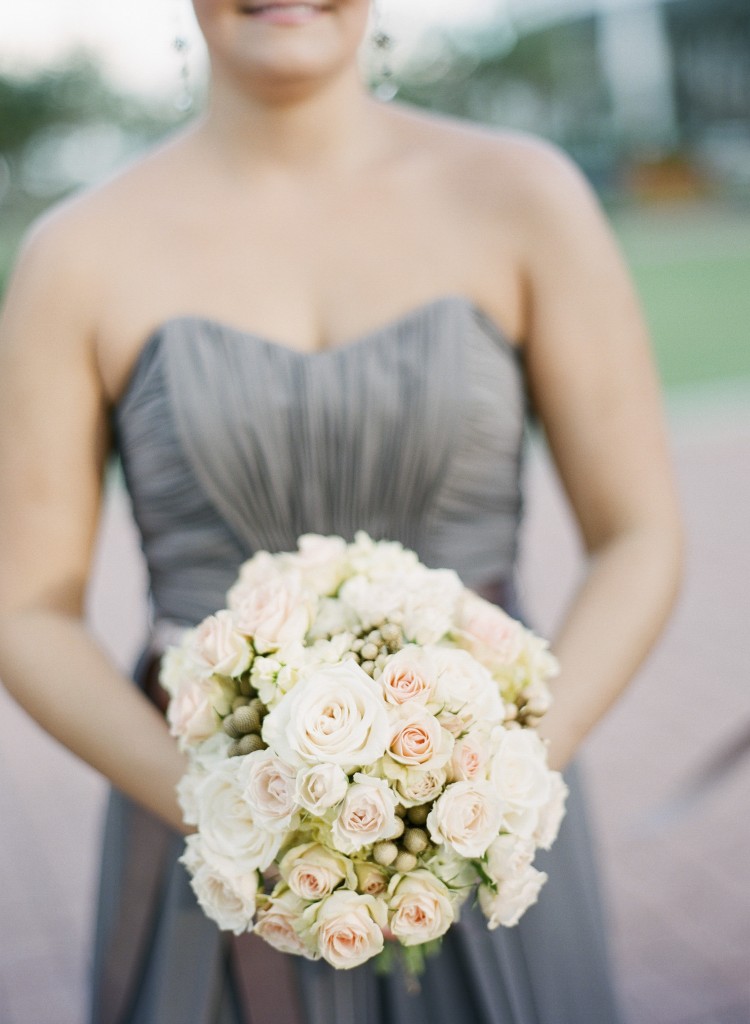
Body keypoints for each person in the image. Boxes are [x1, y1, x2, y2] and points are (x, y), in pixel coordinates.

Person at [0, 1, 683, 1022]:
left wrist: (497, 778)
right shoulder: (76, 252)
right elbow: (24, 605)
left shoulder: (525, 196)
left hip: (484, 829)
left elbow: (640, 533)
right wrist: (228, 811)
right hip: (208, 843)